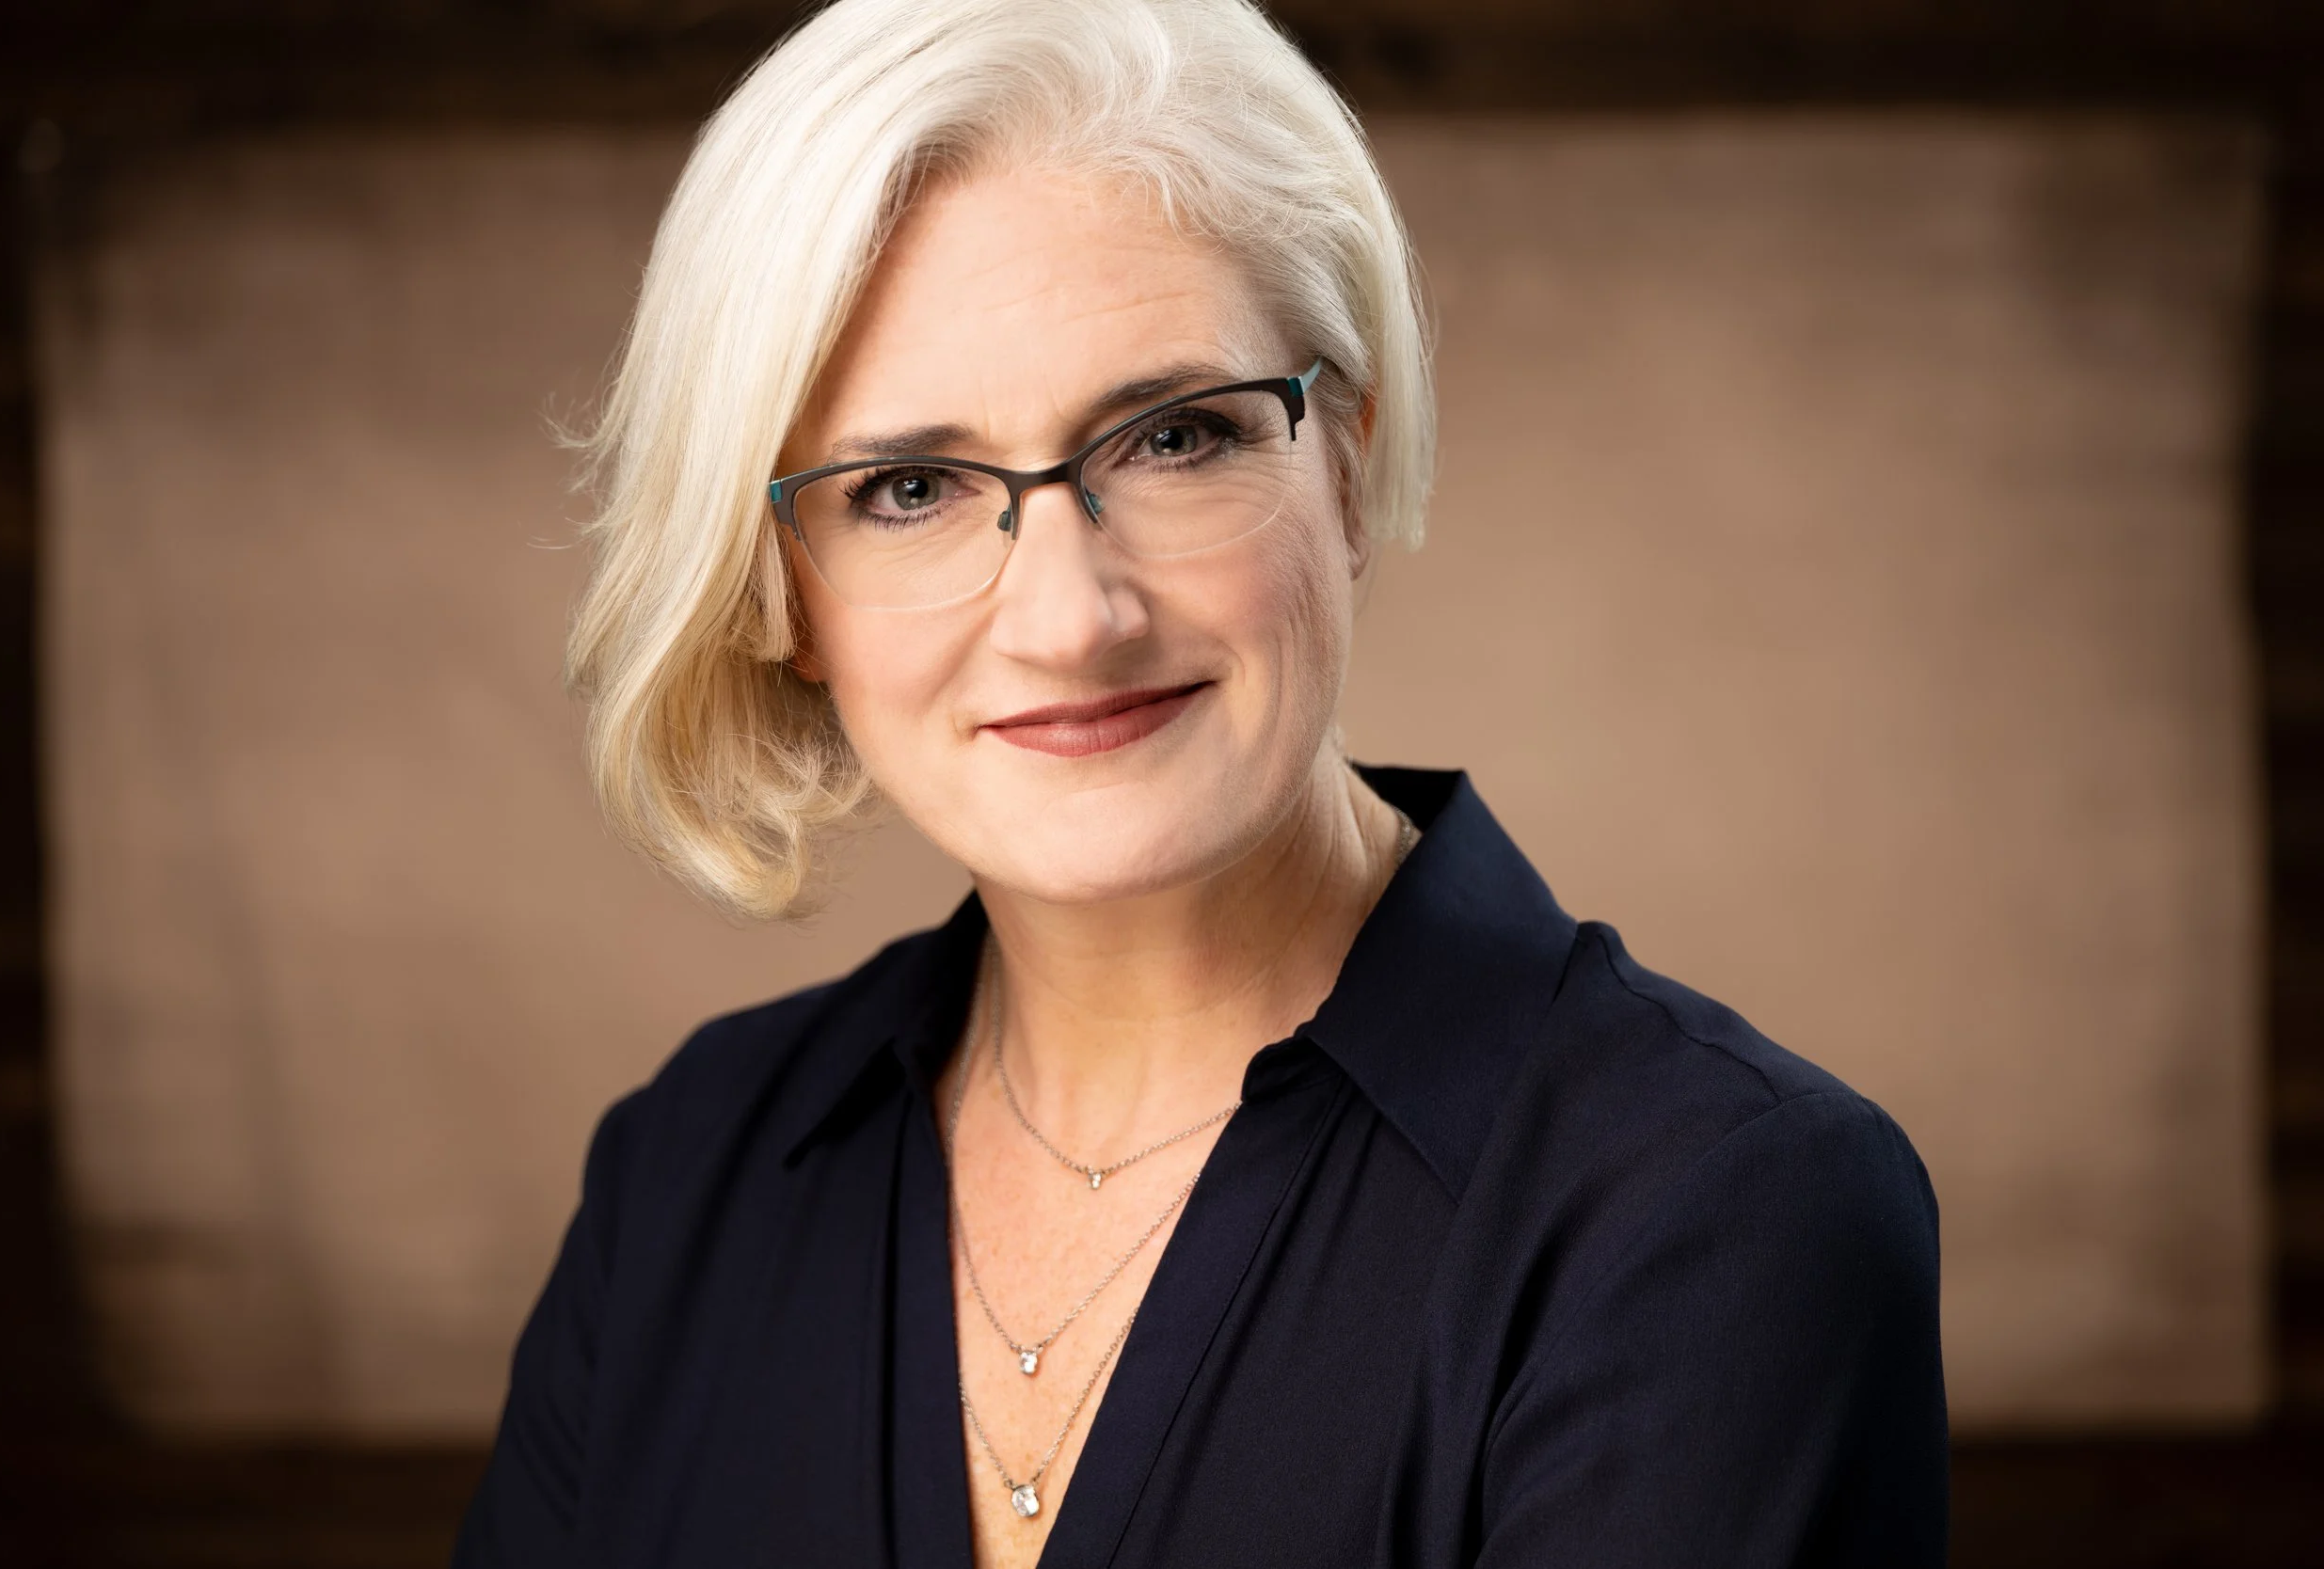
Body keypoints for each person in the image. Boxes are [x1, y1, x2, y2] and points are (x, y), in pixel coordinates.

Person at [454, 0, 1947, 1563]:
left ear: (1349, 471)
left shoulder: (1720, 1212)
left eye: (1175, 439)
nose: (1071, 616)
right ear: (779, 589)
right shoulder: (691, 1172)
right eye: (910, 489)